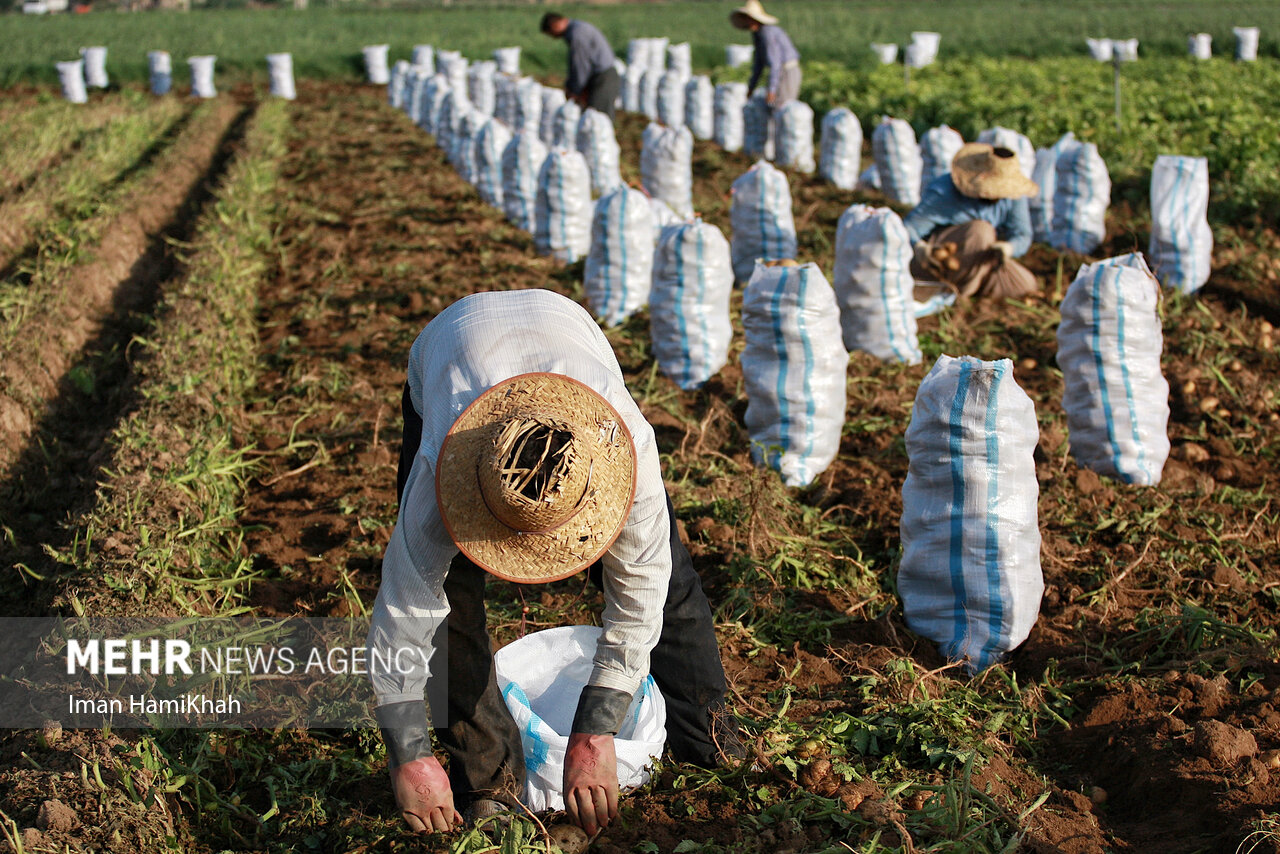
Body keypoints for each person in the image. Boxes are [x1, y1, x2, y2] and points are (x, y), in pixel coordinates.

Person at [367, 289, 739, 837]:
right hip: (450, 355)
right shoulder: (438, 473)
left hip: (567, 334)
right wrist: (408, 755)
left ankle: (708, 745)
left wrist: (596, 728)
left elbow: (642, 589)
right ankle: (488, 783)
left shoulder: (625, 448)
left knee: (671, 585)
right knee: (453, 618)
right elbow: (403, 619)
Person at [903, 143, 1040, 299]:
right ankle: (959, 295)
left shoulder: (1012, 195)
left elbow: (1022, 234)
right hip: (940, 262)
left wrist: (1010, 247)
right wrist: (920, 247)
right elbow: (909, 229)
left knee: (1025, 284)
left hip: (982, 261)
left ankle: (972, 284)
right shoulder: (945, 191)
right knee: (981, 231)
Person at [540, 12, 621, 120]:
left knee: (596, 118)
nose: (554, 37)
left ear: (557, 25)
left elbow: (580, 66)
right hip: (601, 76)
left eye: (552, 33)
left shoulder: (577, 34)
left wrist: (574, 90)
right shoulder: (578, 28)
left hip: (603, 78)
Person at [730, 0, 801, 109]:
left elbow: (775, 62)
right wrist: (751, 87)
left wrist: (772, 90)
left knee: (783, 107)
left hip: (787, 71)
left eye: (750, 19)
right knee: (774, 108)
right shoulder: (758, 34)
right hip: (780, 71)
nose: (748, 22)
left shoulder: (767, 33)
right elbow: (758, 64)